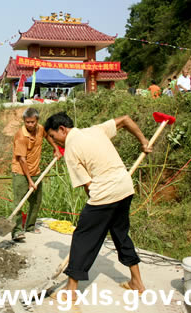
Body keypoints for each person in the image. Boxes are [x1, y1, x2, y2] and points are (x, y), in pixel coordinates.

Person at [44, 112, 151, 301]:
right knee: (120, 234)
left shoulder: (70, 148)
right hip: (125, 188)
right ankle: (137, 282)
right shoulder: (95, 130)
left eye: (53, 136)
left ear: (62, 129)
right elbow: (125, 120)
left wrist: (94, 210)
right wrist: (143, 141)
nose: (55, 141)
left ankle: (71, 290)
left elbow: (88, 185)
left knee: (83, 237)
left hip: (105, 194)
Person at [11, 108, 62, 241]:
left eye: (32, 122)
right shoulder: (21, 136)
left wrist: (55, 148)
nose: (30, 125)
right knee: (19, 203)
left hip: (36, 172)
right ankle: (16, 231)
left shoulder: (40, 129)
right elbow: (22, 160)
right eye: (27, 122)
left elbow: (47, 136)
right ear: (24, 121)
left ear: (37, 121)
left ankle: (30, 226)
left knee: (36, 201)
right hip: (21, 173)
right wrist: (29, 180)